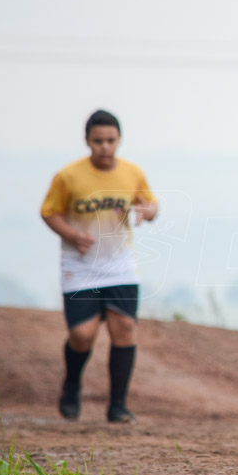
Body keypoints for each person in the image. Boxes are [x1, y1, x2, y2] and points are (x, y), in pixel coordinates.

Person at [40, 109, 157, 424]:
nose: (105, 147)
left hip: (120, 262)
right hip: (80, 265)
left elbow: (150, 203)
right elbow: (49, 212)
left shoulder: (132, 173)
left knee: (126, 329)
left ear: (119, 140)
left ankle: (117, 406)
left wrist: (146, 212)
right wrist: (71, 235)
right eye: (98, 141)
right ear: (87, 141)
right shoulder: (68, 177)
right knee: (82, 335)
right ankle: (72, 384)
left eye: (110, 140)